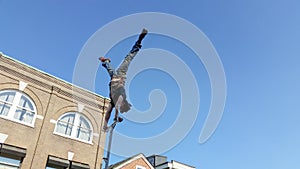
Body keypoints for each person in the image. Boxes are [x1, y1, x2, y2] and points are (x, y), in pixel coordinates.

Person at [100, 28, 148, 131]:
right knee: (128, 59)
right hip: (121, 75)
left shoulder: (114, 102)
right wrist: (116, 117)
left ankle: (106, 62)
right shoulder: (121, 97)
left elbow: (108, 111)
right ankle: (139, 41)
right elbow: (116, 106)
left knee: (110, 70)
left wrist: (105, 124)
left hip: (113, 79)